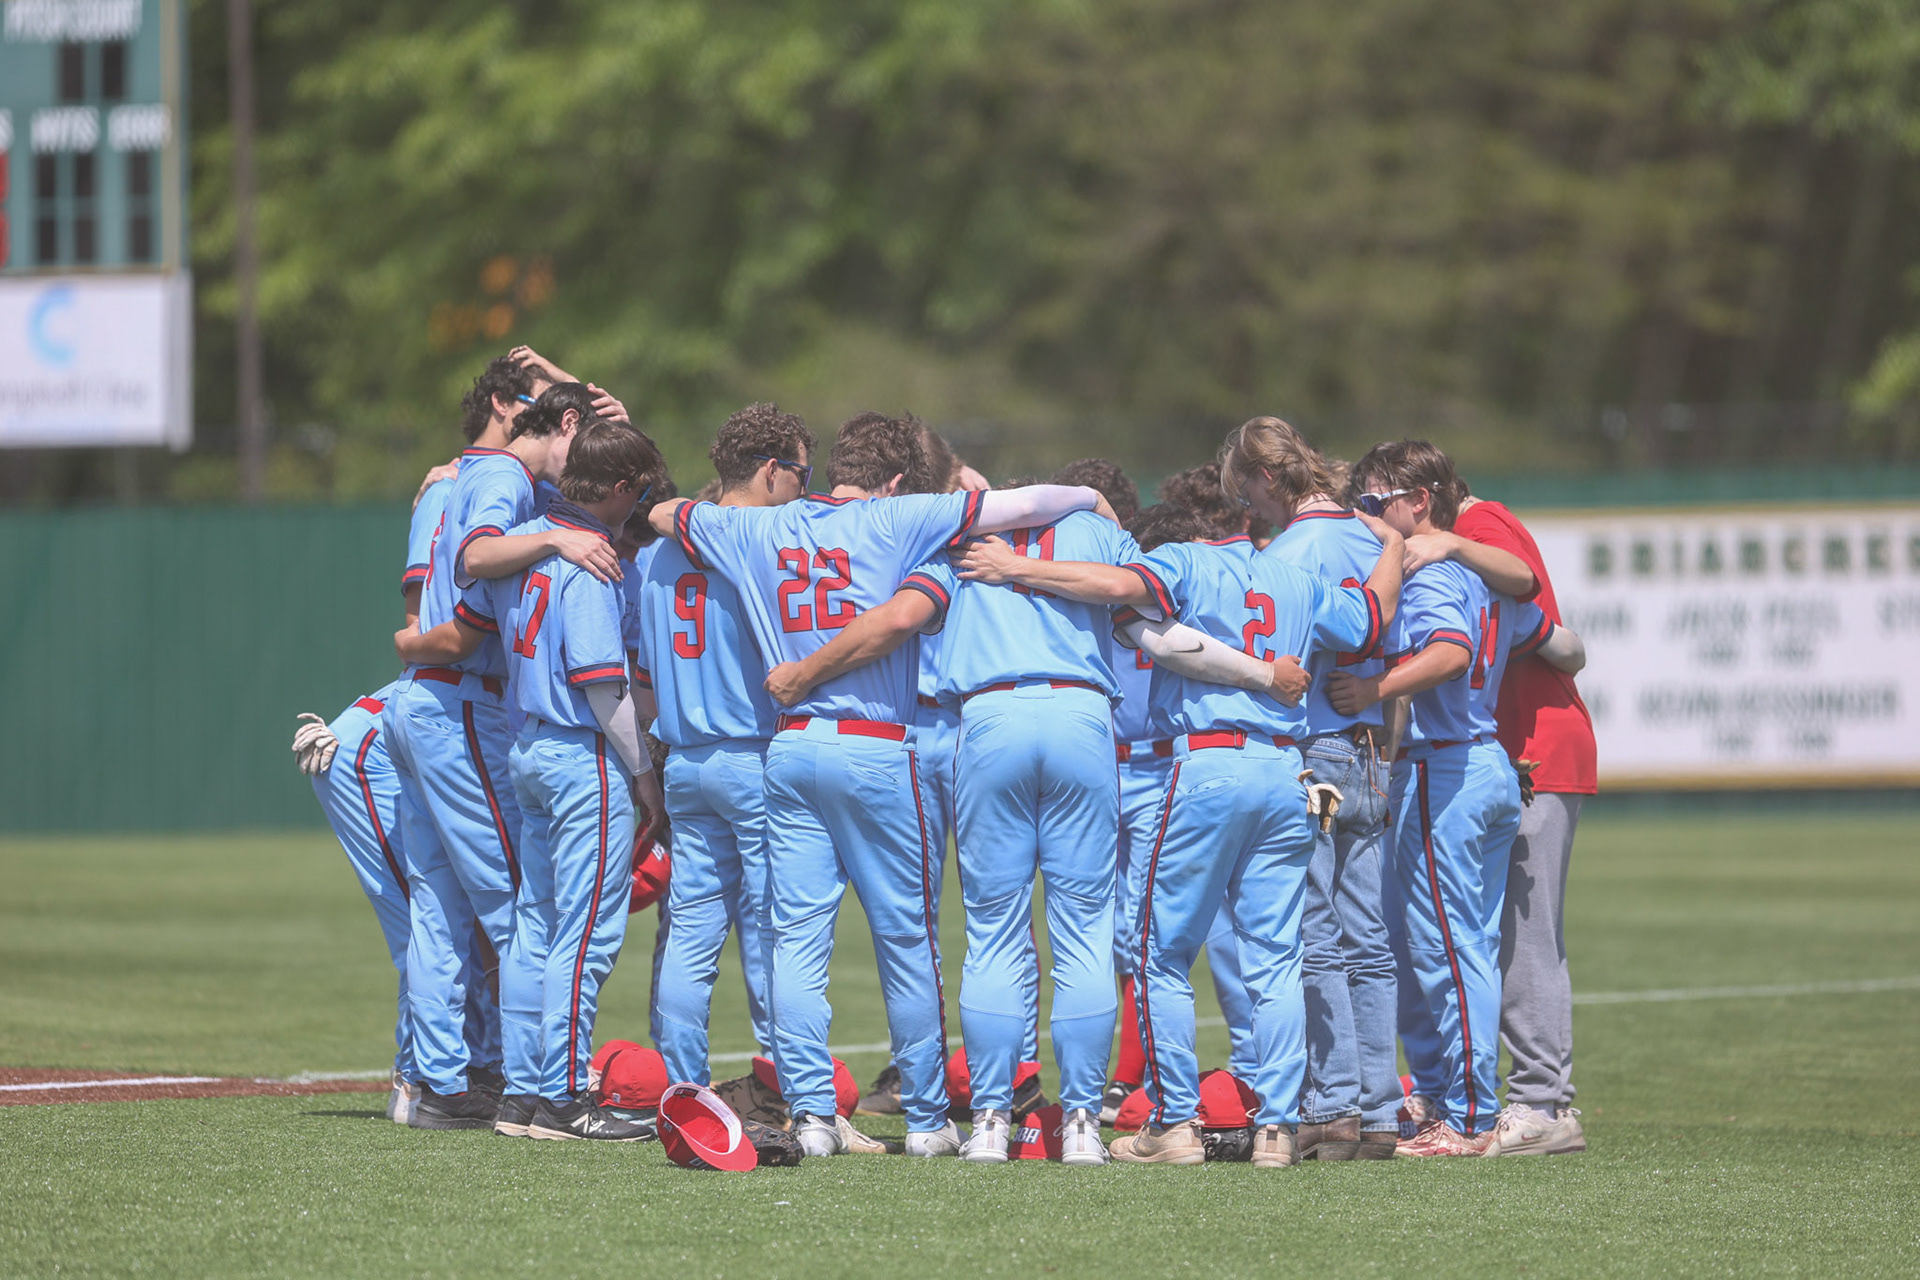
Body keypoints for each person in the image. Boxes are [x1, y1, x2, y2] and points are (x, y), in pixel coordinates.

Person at [646, 413, 1119, 1159]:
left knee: (796, 942)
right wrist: (1089, 497)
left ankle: (809, 1116)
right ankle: (929, 1118)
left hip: (791, 748)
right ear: (898, 479)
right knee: (906, 939)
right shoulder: (902, 514)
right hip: (876, 747)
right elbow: (1022, 506)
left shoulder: (753, 529)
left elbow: (665, 512)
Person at [953, 495, 1401, 1168]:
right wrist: (1392, 542)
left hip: (1209, 763)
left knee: (1160, 956)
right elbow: (1371, 621)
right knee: (1277, 958)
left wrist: (1015, 566)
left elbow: (1116, 590)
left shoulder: (1184, 562)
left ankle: (1175, 1124)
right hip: (1287, 770)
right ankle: (1278, 1129)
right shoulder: (1299, 579)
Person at [411, 422, 667, 1140]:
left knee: (535, 927)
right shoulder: (591, 558)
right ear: (620, 489)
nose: (641, 503)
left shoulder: (528, 538)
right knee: (583, 937)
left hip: (529, 748)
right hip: (582, 754)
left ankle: (524, 1092)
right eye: (639, 490)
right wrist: (644, 773)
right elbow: (601, 689)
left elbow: (468, 586)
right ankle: (561, 1098)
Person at [1326, 439, 1581, 1157]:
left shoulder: (1437, 569)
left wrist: (1374, 691)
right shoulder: (1470, 573)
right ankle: (1445, 1094)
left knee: (1448, 944)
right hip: (1473, 764)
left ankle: (1467, 1115)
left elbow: (1451, 653)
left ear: (1420, 502)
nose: (1368, 516)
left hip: (1452, 769)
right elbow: (1551, 636)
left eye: (1378, 503)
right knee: (1441, 940)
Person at [632, 404, 813, 1085]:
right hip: (755, 755)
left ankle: (685, 1087)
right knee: (775, 931)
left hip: (685, 759)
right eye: (799, 471)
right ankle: (789, 1090)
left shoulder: (654, 556)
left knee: (692, 932)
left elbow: (643, 675)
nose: (803, 485)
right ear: (769, 471)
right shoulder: (767, 540)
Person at [1450, 483, 1594, 1156]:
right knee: (1485, 929)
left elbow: (1530, 600)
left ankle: (1544, 1103)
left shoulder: (1481, 520)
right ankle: (1475, 1089)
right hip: (1505, 751)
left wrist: (1452, 540)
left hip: (1534, 747)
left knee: (1524, 934)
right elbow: (1565, 644)